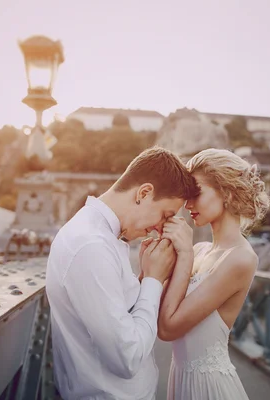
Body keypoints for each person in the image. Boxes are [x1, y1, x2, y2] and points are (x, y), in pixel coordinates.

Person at [45, 146, 200, 400]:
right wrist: (153, 279)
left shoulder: (100, 236)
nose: (159, 229)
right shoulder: (91, 246)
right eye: (165, 215)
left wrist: (142, 279)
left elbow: (117, 315)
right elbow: (126, 358)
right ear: (144, 193)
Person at [158, 148, 270, 400]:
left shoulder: (241, 258)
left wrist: (184, 255)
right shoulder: (199, 250)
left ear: (227, 193)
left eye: (195, 193)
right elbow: (159, 309)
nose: (187, 205)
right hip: (181, 380)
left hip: (210, 389)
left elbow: (167, 329)